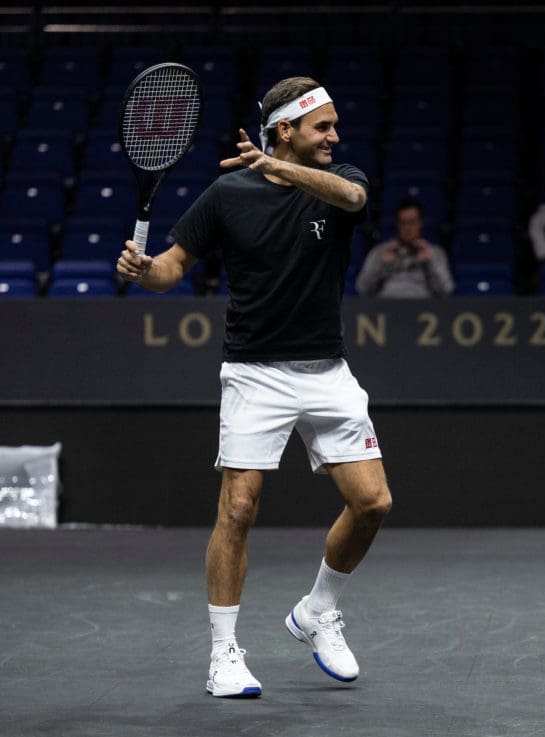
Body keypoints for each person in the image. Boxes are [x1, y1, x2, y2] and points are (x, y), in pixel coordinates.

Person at [115, 77, 392, 698]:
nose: (335, 137)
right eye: (322, 127)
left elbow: (351, 197)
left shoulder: (338, 178)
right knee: (238, 509)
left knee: (373, 503)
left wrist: (276, 166)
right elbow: (172, 268)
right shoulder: (227, 194)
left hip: (328, 371)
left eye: (334, 126)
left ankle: (318, 610)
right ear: (286, 129)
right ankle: (224, 655)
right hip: (254, 371)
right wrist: (142, 270)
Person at [355, 198, 454, 298]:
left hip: (423, 310)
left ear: (420, 223)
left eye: (412, 222)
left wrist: (430, 264)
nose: (408, 228)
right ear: (397, 225)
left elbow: (447, 291)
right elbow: (362, 289)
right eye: (403, 222)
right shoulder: (380, 252)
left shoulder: (434, 252)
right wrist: (380, 265)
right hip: (386, 310)